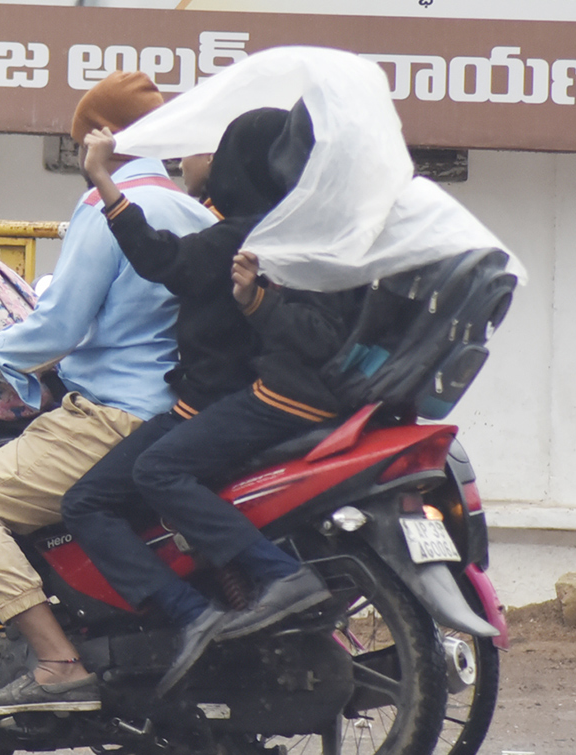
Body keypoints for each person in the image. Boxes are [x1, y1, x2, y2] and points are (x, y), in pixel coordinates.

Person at [0, 71, 217, 716]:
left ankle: (58, 662)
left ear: (103, 137)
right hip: (173, 413)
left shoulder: (106, 206)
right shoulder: (188, 207)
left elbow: (58, 329)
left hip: (110, 416)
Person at [63, 108, 359, 693]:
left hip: (226, 399)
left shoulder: (247, 233)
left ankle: (196, 612)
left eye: (212, 152)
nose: (193, 161)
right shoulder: (286, 228)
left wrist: (103, 181)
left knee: (106, 494)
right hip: (239, 394)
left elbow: (163, 260)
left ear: (242, 165)